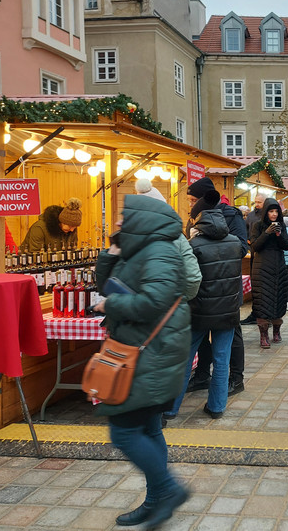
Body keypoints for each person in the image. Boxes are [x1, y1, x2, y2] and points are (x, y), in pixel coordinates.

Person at [92, 195, 191, 528]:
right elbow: (104, 286)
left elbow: (154, 301)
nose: (118, 221)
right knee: (148, 429)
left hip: (153, 353)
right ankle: (155, 500)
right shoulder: (136, 249)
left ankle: (169, 490)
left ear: (141, 219)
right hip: (140, 350)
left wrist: (112, 306)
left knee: (123, 432)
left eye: (123, 216)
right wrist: (112, 252)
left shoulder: (159, 250)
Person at [166, 203, 243, 422]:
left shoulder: (194, 245)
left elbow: (186, 277)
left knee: (185, 358)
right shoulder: (235, 243)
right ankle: (216, 407)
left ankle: (171, 409)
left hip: (198, 312)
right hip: (227, 312)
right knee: (222, 360)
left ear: (200, 225)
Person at [183, 177, 249, 397]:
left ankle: (236, 378)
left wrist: (212, 248)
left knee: (232, 334)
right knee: (201, 334)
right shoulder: (194, 218)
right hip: (202, 289)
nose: (191, 204)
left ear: (205, 199)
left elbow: (240, 248)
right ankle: (202, 375)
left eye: (194, 200)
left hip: (226, 285)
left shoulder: (232, 215)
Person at [249, 198, 288, 348]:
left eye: (276, 211)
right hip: (261, 268)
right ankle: (263, 335)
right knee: (262, 301)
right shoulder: (257, 226)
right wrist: (267, 233)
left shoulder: (281, 226)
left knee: (278, 298)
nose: (273, 214)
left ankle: (277, 331)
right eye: (271, 211)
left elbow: (287, 246)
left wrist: (279, 234)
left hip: (278, 266)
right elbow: (255, 246)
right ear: (265, 212)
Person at [241, 193, 267, 327]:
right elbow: (245, 231)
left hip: (266, 256)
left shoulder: (268, 215)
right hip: (254, 254)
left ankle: (265, 315)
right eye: (255, 202)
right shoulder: (250, 216)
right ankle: (255, 313)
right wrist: (248, 242)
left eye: (260, 202)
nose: (257, 204)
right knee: (255, 285)